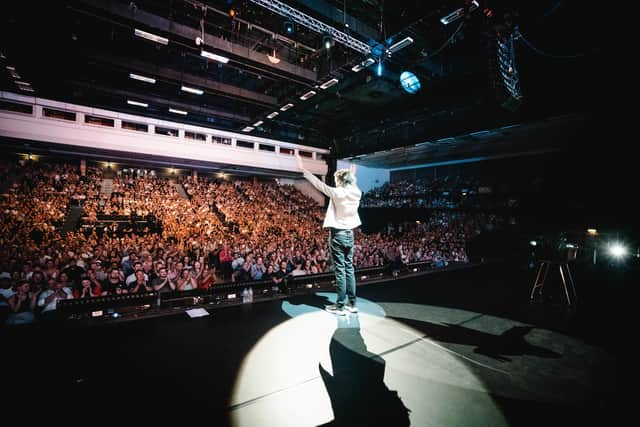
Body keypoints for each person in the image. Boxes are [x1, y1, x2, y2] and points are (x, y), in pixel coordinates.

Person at [297, 156, 362, 315]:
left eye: (336, 179)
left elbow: (319, 185)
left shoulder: (337, 193)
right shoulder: (356, 192)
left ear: (339, 181)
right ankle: (351, 304)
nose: (335, 182)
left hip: (337, 234)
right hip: (350, 235)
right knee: (349, 270)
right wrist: (352, 174)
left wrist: (303, 169)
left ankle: (340, 306)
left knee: (340, 271)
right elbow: (351, 183)